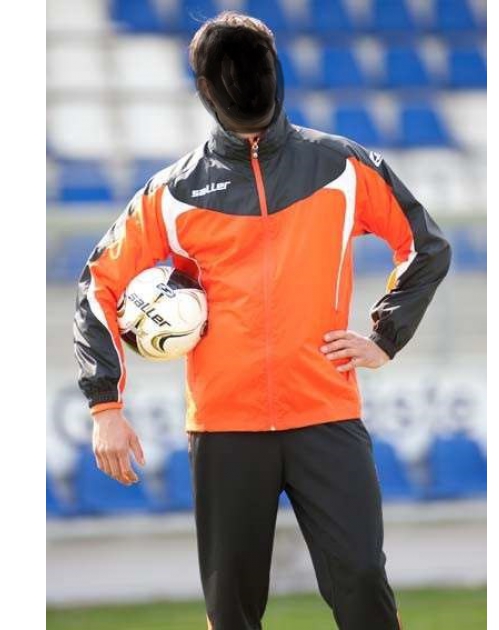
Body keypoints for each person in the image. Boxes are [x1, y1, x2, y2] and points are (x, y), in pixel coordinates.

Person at [73, 11, 451, 630]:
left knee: (362, 583)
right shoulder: (171, 194)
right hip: (224, 428)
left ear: (273, 72)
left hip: (326, 416)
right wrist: (104, 407)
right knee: (231, 611)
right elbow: (99, 283)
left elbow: (425, 246)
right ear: (207, 90)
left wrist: (385, 335)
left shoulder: (342, 166)